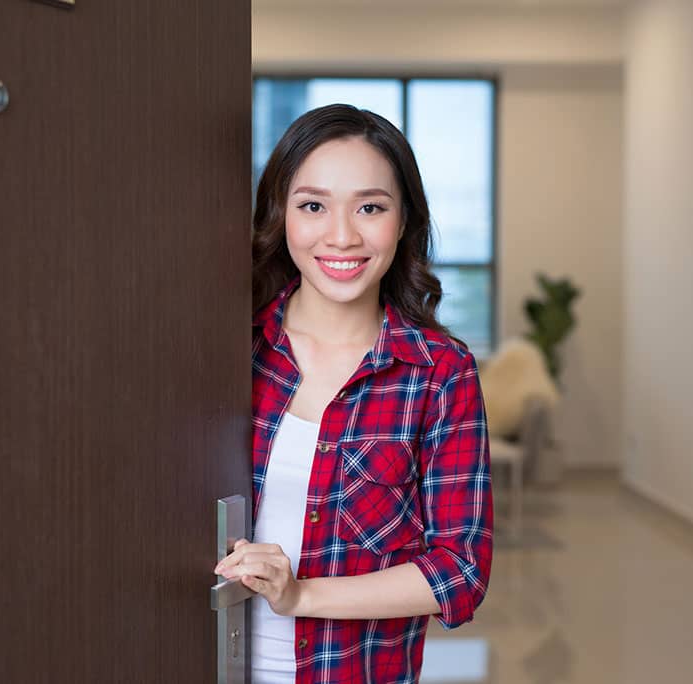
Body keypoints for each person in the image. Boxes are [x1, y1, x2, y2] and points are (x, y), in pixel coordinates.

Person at [214, 104, 493, 684]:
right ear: (279, 216)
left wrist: (301, 595)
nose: (342, 235)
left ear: (404, 221)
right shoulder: (223, 349)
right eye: (313, 206)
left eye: (370, 207)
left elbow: (459, 572)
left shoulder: (440, 373)